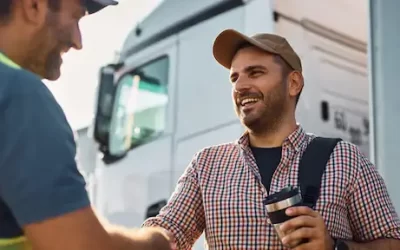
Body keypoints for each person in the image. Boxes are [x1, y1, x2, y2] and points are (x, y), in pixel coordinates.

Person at [142, 28, 400, 250]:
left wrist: (334, 247)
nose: (240, 86)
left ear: (294, 83)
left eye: (254, 73)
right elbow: (167, 232)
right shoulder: (207, 165)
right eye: (235, 77)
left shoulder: (344, 159)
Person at [0, 0, 173, 250]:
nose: (77, 42)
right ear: (34, 6)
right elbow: (79, 246)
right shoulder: (18, 96)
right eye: (75, 18)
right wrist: (156, 243)